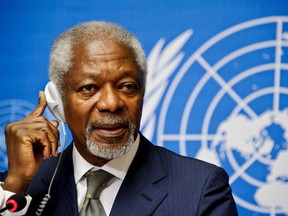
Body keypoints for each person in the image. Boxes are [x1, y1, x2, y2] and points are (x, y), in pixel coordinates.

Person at [0, 21, 238, 215]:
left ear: (143, 93)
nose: (111, 104)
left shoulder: (201, 188)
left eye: (126, 86)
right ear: (58, 102)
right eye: (89, 88)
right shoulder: (21, 185)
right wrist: (15, 187)